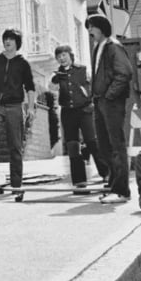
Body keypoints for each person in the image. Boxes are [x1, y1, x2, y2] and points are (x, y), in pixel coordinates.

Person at [0, 28, 37, 189]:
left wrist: (30, 107)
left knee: (15, 144)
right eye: (5, 39)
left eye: (10, 39)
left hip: (15, 106)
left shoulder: (23, 63)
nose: (7, 42)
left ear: (17, 43)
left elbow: (30, 87)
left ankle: (16, 183)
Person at [87, 14, 134, 203]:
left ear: (101, 27)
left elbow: (125, 73)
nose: (89, 31)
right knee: (104, 146)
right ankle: (115, 185)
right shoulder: (99, 47)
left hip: (111, 102)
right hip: (100, 102)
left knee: (116, 145)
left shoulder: (113, 46)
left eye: (92, 27)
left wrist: (109, 95)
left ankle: (122, 191)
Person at [50, 45, 99, 192]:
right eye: (59, 57)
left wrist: (91, 103)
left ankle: (106, 174)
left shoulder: (82, 70)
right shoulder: (57, 76)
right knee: (72, 146)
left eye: (64, 55)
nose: (61, 58)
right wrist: (56, 80)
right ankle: (79, 181)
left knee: (92, 142)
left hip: (84, 110)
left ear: (71, 55)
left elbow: (92, 88)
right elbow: (52, 89)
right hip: (68, 113)